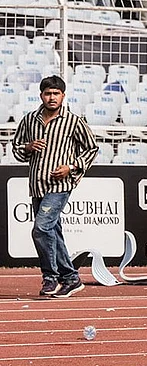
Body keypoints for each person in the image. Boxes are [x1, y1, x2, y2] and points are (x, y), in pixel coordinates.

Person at [11, 75, 98, 298]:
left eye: (56, 93)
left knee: (41, 229)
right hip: (37, 184)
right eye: (48, 93)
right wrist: (28, 147)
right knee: (52, 231)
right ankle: (70, 278)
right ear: (41, 95)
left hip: (60, 185)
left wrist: (71, 166)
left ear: (63, 96)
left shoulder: (73, 121)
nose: (52, 97)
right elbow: (16, 148)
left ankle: (50, 277)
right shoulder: (29, 120)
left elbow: (91, 149)